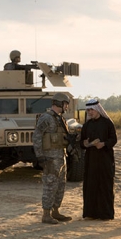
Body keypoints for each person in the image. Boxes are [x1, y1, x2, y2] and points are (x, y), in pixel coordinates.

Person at [32, 92, 73, 224]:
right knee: (50, 185)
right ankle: (46, 214)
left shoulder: (60, 119)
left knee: (60, 185)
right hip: (50, 158)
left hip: (61, 156)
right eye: (65, 104)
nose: (66, 107)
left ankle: (56, 211)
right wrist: (40, 156)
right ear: (59, 103)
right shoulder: (46, 118)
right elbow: (37, 136)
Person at [81, 98, 117, 220]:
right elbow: (81, 142)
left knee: (105, 186)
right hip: (91, 161)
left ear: (97, 109)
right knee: (91, 186)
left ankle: (105, 214)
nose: (90, 112)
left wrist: (104, 144)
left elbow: (114, 139)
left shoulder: (107, 123)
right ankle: (91, 213)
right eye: (88, 110)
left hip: (105, 160)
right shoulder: (86, 125)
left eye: (91, 110)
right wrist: (84, 143)